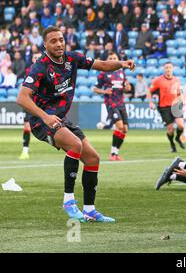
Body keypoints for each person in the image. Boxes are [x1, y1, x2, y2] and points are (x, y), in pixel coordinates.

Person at [16, 26, 136, 223]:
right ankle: (68, 200)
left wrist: (121, 63)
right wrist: (45, 116)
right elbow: (22, 98)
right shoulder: (40, 67)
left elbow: (103, 65)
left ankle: (89, 210)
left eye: (61, 39)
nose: (59, 43)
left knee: (93, 159)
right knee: (75, 145)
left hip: (61, 119)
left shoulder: (72, 59)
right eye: (53, 41)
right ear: (45, 45)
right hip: (42, 120)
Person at [93, 51, 131, 161]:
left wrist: (127, 88)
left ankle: (115, 153)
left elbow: (125, 88)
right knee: (119, 126)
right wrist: (104, 92)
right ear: (108, 60)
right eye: (111, 58)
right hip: (111, 103)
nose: (113, 60)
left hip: (121, 103)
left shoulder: (121, 73)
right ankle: (112, 154)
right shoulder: (103, 73)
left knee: (125, 129)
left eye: (115, 58)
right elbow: (95, 89)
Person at [148, 62, 185, 153]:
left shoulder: (176, 80)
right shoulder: (158, 81)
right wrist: (150, 102)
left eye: (170, 67)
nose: (168, 69)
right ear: (164, 69)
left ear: (173, 69)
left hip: (175, 106)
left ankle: (177, 138)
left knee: (181, 126)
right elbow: (149, 91)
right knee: (170, 129)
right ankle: (172, 144)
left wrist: (182, 101)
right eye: (166, 67)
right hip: (164, 107)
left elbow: (179, 93)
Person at [19, 52, 42, 160]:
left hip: (42, 102)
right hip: (30, 102)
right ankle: (25, 151)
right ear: (32, 59)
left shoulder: (46, 69)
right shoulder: (29, 71)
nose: (37, 59)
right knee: (27, 127)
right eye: (35, 57)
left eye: (39, 57)